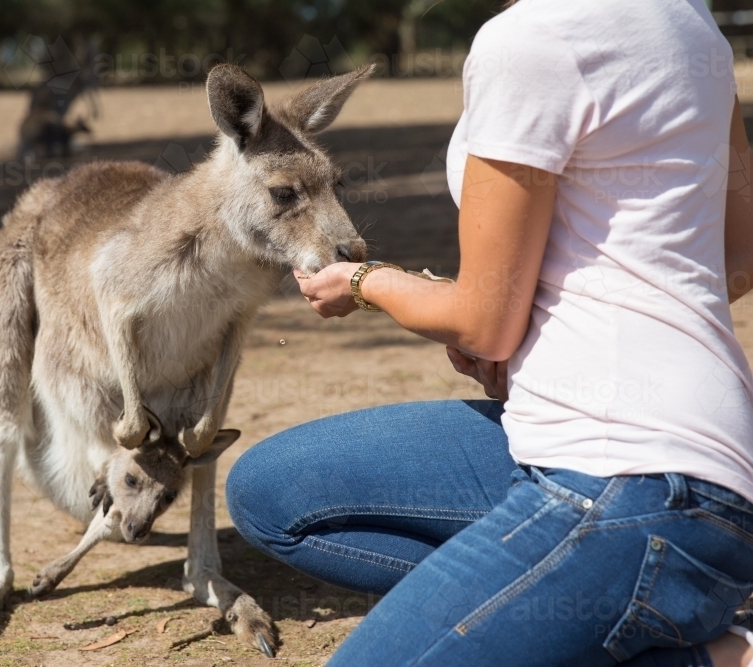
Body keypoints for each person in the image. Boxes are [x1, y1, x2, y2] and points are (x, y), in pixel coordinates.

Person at [225, 0, 753, 665]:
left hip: (626, 479)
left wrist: (368, 283)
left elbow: (485, 321)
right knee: (273, 492)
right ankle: (594, 617)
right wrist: (539, 325)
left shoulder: (529, 41)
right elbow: (737, 259)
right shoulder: (688, 19)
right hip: (712, 470)